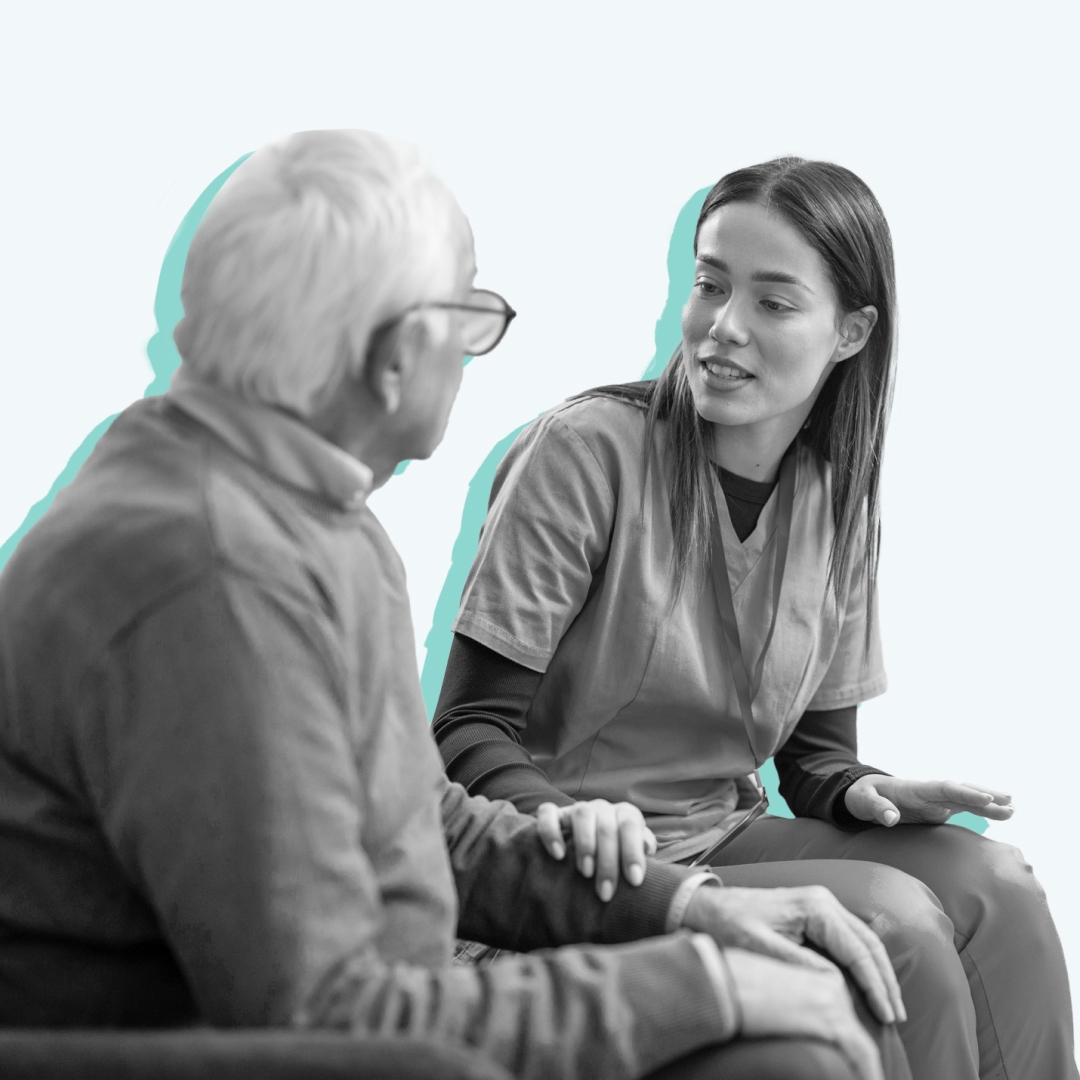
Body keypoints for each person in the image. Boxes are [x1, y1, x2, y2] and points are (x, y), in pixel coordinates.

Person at [0, 131, 914, 1080]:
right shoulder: (208, 579)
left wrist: (688, 911)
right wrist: (700, 988)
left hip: (375, 1007)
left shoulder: (313, 519)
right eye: (470, 315)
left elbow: (428, 823)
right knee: (781, 1057)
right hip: (240, 1043)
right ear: (398, 354)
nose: (477, 349)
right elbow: (323, 1015)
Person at [432, 157, 1079, 1080]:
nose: (721, 327)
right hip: (579, 849)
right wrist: (557, 824)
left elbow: (810, 760)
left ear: (851, 332)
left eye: (773, 302)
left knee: (997, 888)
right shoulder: (585, 454)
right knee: (892, 922)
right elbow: (467, 729)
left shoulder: (835, 498)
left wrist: (866, 791)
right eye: (709, 285)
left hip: (718, 830)